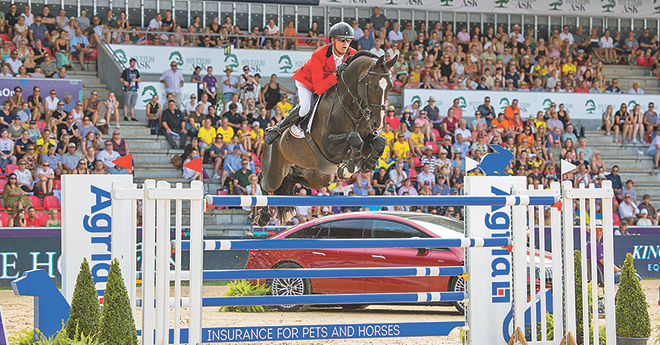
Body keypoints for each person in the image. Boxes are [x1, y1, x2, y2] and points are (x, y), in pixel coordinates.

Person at [264, 22, 357, 145]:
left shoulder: (353, 54)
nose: (345, 44)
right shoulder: (319, 54)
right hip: (307, 83)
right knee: (305, 109)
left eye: (348, 41)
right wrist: (335, 75)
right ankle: (278, 128)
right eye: (342, 40)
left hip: (329, 85)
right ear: (333, 40)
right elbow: (318, 89)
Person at [120, 57, 141, 123]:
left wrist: (136, 80)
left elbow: (139, 79)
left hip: (134, 89)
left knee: (133, 104)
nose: (133, 64)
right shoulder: (126, 71)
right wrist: (124, 82)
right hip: (128, 89)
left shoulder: (136, 71)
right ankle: (125, 116)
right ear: (130, 63)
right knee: (126, 103)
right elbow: (121, 78)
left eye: (134, 63)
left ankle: (133, 116)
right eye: (132, 62)